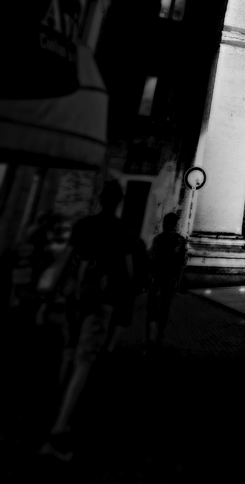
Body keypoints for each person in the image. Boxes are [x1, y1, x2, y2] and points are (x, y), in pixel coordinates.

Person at [39, 181, 135, 462]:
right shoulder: (122, 230)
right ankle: (59, 430)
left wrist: (47, 298)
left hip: (75, 299)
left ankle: (61, 412)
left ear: (100, 199)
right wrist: (125, 305)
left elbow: (64, 260)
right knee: (84, 362)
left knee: (68, 355)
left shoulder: (83, 225)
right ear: (119, 201)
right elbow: (128, 273)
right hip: (101, 303)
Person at [145, 213, 187, 351]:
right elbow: (181, 261)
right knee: (165, 308)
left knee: (152, 309)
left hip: (157, 277)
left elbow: (153, 258)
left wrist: (150, 276)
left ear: (164, 224)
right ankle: (159, 337)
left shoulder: (158, 239)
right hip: (170, 278)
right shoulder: (180, 240)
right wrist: (178, 280)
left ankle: (150, 338)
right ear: (175, 225)